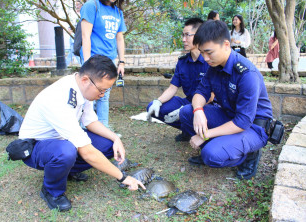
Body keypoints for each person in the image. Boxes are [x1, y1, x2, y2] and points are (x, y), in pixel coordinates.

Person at [19, 55, 145, 211]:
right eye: (102, 90)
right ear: (86, 80)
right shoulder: (58, 98)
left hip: (62, 139)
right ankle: (51, 191)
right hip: (37, 146)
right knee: (66, 152)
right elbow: (87, 152)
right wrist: (123, 177)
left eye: (106, 90)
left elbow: (90, 121)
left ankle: (67, 171)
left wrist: (115, 138)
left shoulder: (82, 88)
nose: (103, 95)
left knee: (107, 145)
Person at [179, 20, 273, 180]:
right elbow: (200, 93)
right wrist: (198, 111)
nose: (205, 58)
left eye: (209, 52)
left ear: (226, 45)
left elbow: (243, 122)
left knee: (211, 155)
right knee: (187, 112)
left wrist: (205, 134)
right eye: (202, 52)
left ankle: (249, 153)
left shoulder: (246, 74)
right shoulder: (214, 66)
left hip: (253, 126)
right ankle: (224, 143)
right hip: (229, 115)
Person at [146, 18, 210, 142]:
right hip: (188, 103)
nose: (183, 39)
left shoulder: (209, 61)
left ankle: (201, 133)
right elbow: (172, 88)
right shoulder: (182, 62)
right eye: (183, 35)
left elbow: (212, 97)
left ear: (199, 36)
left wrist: (185, 110)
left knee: (186, 111)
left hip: (207, 106)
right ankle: (189, 130)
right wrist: (157, 102)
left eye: (187, 35)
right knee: (154, 107)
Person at [79, 0, 126, 129]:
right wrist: (87, 63)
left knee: (104, 97)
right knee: (87, 97)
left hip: (109, 61)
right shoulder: (91, 6)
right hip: (93, 59)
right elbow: (85, 36)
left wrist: (121, 62)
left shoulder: (117, 12)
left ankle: (103, 128)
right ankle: (83, 129)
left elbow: (119, 38)